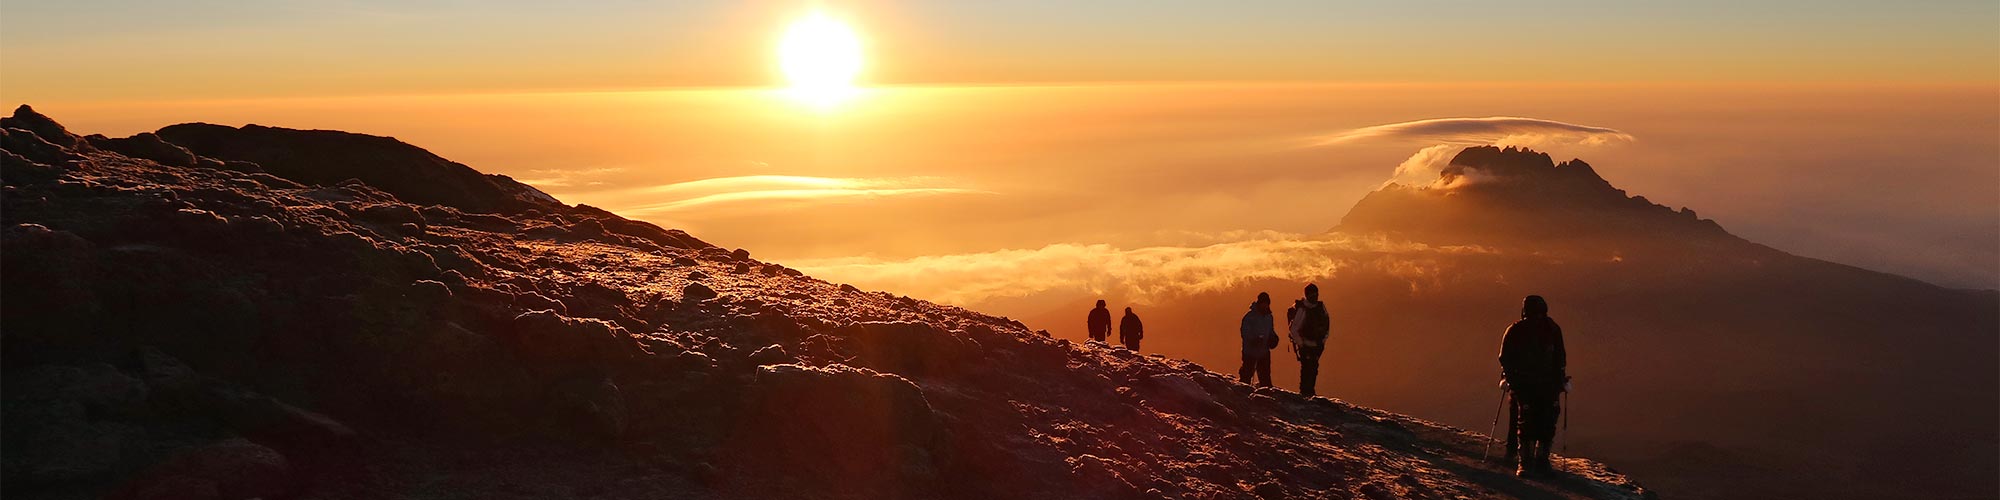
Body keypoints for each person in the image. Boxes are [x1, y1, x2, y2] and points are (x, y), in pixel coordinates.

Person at [1499, 295, 1567, 478]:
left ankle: (1531, 461)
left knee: (1531, 419)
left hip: (1533, 383)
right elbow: (1560, 356)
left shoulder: (1516, 330)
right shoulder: (1551, 329)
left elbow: (1504, 358)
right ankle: (1535, 461)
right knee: (1540, 419)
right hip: (1535, 383)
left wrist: (1511, 377)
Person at [1288, 284, 1331, 397]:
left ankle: (1309, 393)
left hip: (1316, 345)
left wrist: (1321, 341)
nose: (1315, 296)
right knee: (1308, 369)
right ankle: (1306, 393)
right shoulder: (1303, 309)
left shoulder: (1320, 308)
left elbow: (1326, 326)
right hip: (1307, 346)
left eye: (1316, 294)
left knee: (1313, 368)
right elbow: (1294, 329)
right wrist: (1302, 344)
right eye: (1312, 294)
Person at [1238, 292, 1278, 387]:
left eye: (1267, 303)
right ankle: (1244, 395)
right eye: (1263, 303)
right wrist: (1253, 340)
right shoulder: (1249, 317)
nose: (1265, 305)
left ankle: (1266, 397)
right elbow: (1244, 333)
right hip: (1250, 352)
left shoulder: (1269, 317)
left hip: (1264, 352)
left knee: (1265, 378)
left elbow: (1270, 331)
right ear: (1259, 303)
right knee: (1246, 377)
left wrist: (1274, 338)